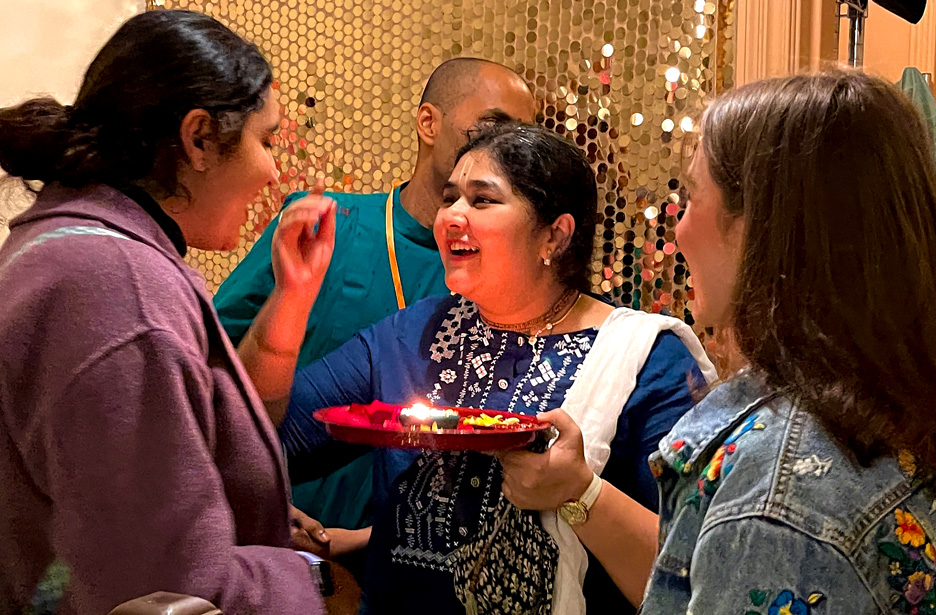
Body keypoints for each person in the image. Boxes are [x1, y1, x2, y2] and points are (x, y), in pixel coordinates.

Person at [504, 70, 936, 614]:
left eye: (692, 197)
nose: (679, 229)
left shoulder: (776, 508)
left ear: (760, 226)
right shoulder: (905, 401)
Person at [272, 123, 717, 614]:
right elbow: (273, 440)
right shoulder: (415, 332)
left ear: (555, 234)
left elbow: (694, 578)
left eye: (482, 200)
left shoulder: (644, 357)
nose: (451, 218)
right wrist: (292, 296)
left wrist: (582, 495)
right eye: (450, 198)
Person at [0, 10, 337, 614]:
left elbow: (184, 442)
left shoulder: (87, 250)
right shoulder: (115, 288)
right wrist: (305, 580)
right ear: (199, 138)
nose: (273, 171)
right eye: (265, 139)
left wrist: (293, 297)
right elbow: (169, 594)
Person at [216, 58, 538, 547]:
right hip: (296, 540)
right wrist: (247, 494)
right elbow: (208, 364)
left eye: (524, 137)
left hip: (430, 559)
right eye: (494, 126)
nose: (507, 149)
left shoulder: (506, 278)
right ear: (428, 123)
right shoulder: (329, 226)